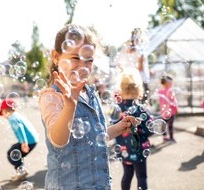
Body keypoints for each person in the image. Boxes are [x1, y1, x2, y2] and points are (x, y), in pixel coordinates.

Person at [38, 23, 138, 189]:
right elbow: (58, 140)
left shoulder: (90, 92)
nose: (82, 66)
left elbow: (95, 137)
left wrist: (118, 128)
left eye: (89, 60)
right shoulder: (52, 96)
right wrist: (70, 106)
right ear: (56, 56)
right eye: (75, 58)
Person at [113, 68, 153, 190]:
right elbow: (150, 129)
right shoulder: (141, 109)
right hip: (140, 149)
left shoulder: (117, 108)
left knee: (127, 175)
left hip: (124, 149)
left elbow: (112, 127)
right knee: (141, 177)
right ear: (139, 89)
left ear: (121, 89)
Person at [0, 98, 38, 182]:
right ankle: (21, 172)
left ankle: (21, 171)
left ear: (5, 111)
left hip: (28, 141)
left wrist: (24, 142)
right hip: (33, 140)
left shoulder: (12, 118)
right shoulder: (17, 115)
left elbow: (20, 128)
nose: (4, 116)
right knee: (17, 153)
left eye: (3, 113)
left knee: (11, 153)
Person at [115, 28, 150, 102]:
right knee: (140, 103)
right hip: (139, 80)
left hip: (127, 79)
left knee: (127, 103)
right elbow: (140, 68)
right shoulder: (141, 50)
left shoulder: (126, 49)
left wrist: (125, 72)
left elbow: (118, 63)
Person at [158, 74, 179, 143]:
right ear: (166, 83)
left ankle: (168, 137)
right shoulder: (169, 91)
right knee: (169, 125)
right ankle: (169, 137)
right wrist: (176, 108)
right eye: (170, 82)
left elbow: (173, 101)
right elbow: (174, 101)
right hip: (168, 112)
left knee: (165, 125)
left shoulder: (161, 91)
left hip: (166, 112)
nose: (171, 84)